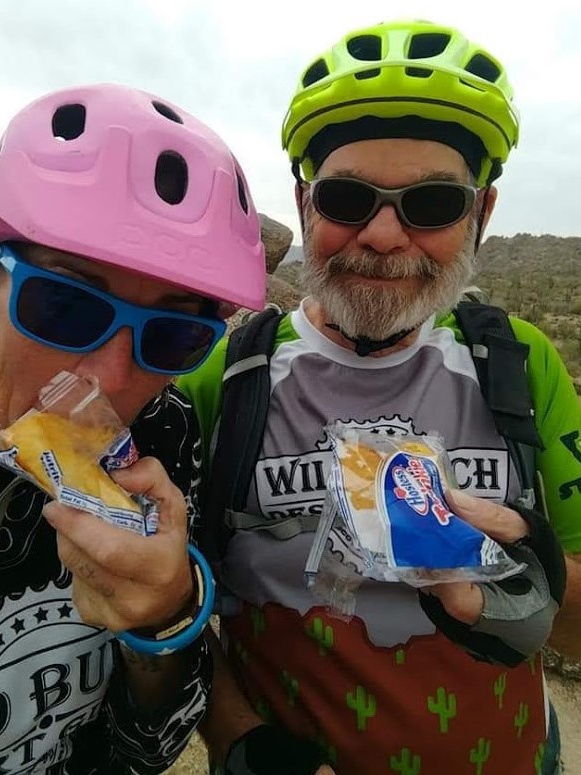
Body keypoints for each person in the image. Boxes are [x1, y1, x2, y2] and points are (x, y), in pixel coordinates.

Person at [179, 19, 581, 775]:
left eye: (432, 203)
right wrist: (240, 740)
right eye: (347, 197)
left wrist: (540, 576)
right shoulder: (224, 376)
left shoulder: (520, 364)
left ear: (481, 216)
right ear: (305, 205)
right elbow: (173, 605)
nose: (386, 235)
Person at [0, 83, 265, 774]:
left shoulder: (166, 436)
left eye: (171, 337)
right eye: (64, 305)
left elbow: (143, 752)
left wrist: (164, 619)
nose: (109, 378)